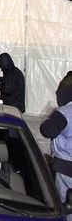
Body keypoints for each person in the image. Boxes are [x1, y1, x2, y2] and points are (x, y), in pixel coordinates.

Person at [40, 76, 72, 217]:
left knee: (65, 204)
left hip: (66, 167)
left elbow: (47, 131)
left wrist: (50, 117)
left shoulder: (65, 113)